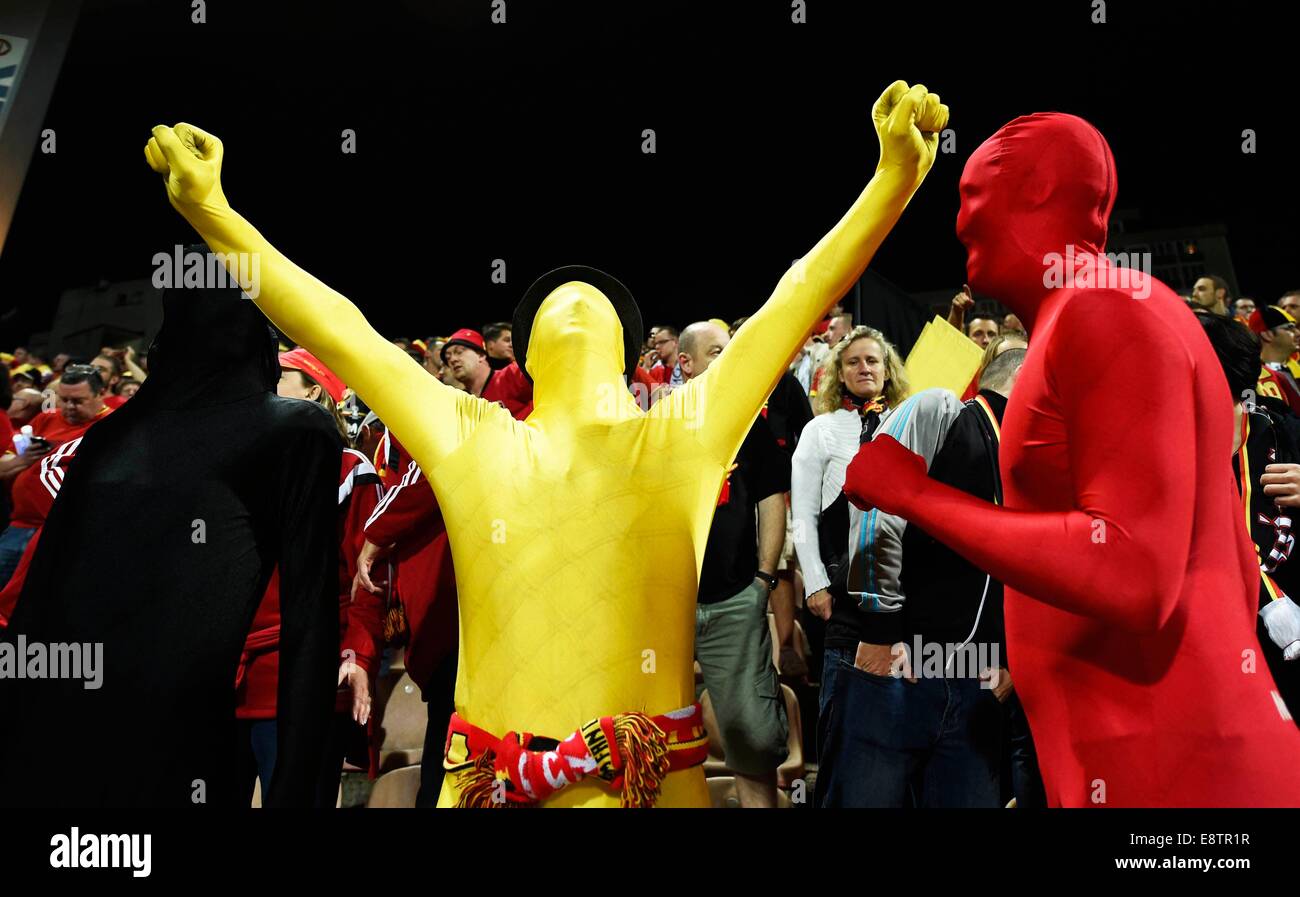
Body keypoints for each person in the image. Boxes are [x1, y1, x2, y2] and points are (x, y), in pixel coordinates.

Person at [144, 78, 948, 807]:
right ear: (522, 359)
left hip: (644, 784)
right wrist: (212, 214)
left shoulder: (685, 431)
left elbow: (799, 290)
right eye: (555, 303)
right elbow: (340, 328)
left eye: (593, 302)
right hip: (490, 783)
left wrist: (893, 182)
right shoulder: (471, 434)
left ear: (636, 356)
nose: (574, 300)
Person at [844, 111, 1300, 806]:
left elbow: (1135, 569)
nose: (960, 222)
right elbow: (1225, 558)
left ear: (1036, 190)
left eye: (970, 195)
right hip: (1143, 744)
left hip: (1171, 761)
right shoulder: (1092, 314)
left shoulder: (1103, 311)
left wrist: (915, 495)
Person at [0, 271, 342, 807]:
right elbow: (313, 620)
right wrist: (295, 789)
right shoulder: (293, 431)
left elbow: (38, 603)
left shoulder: (110, 436)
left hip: (60, 738)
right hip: (165, 744)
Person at [234, 347, 387, 807]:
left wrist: (359, 654)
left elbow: (369, 579)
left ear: (313, 390)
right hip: (226, 673)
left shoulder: (348, 470)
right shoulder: (233, 462)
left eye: (278, 375)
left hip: (302, 672)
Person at [790, 324, 908, 789]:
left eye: (873, 360)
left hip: (900, 598)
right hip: (842, 596)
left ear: (887, 369)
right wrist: (816, 582)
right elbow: (802, 514)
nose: (865, 368)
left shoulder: (905, 421)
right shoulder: (820, 430)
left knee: (897, 727)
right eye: (854, 361)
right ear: (839, 372)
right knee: (843, 721)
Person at [678, 321, 790, 807]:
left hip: (734, 602)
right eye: (716, 351)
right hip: (668, 611)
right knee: (654, 734)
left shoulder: (751, 424)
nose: (728, 359)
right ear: (686, 364)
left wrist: (763, 579)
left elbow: (771, 500)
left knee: (751, 737)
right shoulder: (661, 423)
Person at [0, 365, 112, 587]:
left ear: (101, 393)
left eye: (78, 401)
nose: (69, 407)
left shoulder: (113, 426)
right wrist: (23, 461)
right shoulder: (47, 418)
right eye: (64, 399)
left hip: (59, 531)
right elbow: (3, 463)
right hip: (18, 524)